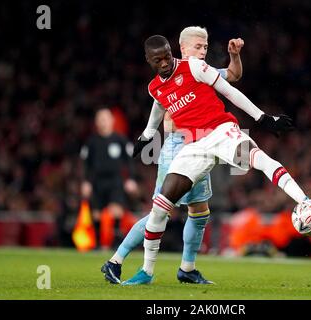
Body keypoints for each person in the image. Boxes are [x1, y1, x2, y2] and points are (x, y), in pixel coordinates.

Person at [119, 35, 311, 285]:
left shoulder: (193, 66)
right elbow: (158, 107)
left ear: (171, 51)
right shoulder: (154, 87)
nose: (164, 63)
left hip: (221, 132)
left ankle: (305, 201)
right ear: (149, 60)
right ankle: (146, 272)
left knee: (258, 159)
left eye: (166, 56)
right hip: (193, 145)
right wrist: (146, 136)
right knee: (162, 203)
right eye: (157, 60)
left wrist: (263, 118)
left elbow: (230, 90)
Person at [101, 26, 244, 284]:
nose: (203, 51)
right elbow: (159, 106)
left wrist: (234, 55)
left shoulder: (201, 71)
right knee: (160, 211)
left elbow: (233, 75)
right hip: (178, 147)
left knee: (200, 210)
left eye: (206, 46)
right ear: (183, 48)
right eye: (198, 47)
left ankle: (187, 269)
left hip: (201, 145)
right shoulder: (170, 77)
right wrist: (147, 136)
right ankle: (115, 260)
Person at [80, 107, 139, 249]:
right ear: (96, 122)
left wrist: (131, 178)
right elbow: (85, 164)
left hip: (115, 181)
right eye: (100, 119)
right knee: (96, 214)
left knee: (116, 210)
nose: (103, 122)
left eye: (105, 119)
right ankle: (99, 244)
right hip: (97, 181)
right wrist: (86, 182)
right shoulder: (91, 142)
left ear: (112, 121)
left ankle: (116, 243)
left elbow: (130, 160)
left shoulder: (120, 140)